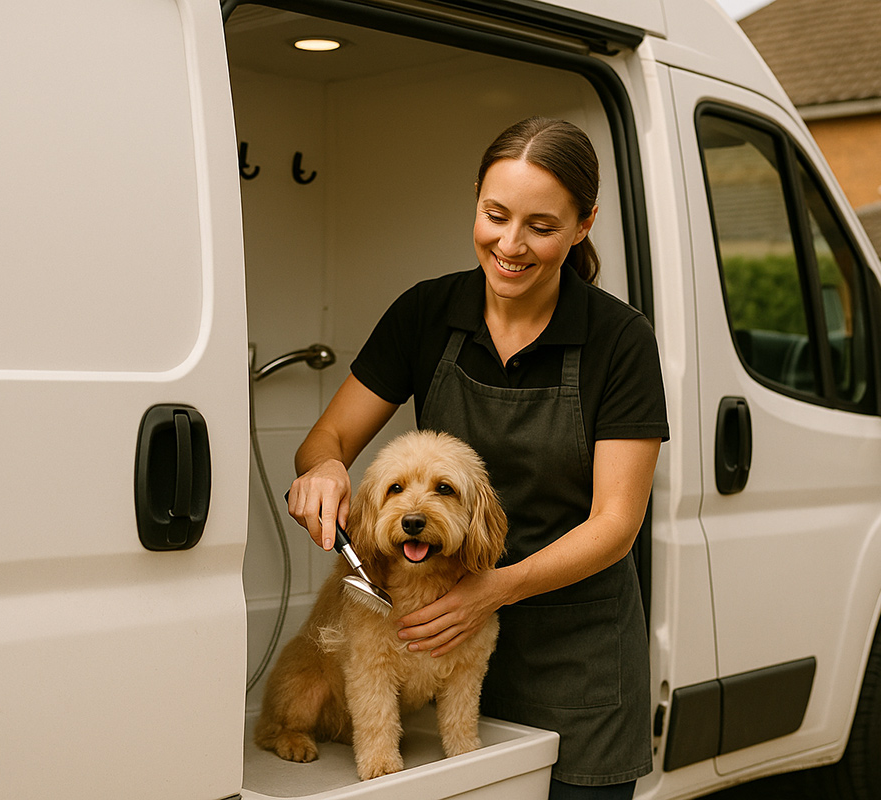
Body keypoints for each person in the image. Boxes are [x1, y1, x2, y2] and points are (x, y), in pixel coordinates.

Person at [286, 116, 669, 800]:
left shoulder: (620, 340)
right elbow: (327, 439)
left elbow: (616, 522)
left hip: (575, 657)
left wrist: (494, 589)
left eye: (541, 227)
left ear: (584, 225)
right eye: (495, 216)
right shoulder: (425, 314)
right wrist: (322, 470)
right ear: (476, 202)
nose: (510, 245)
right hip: (426, 648)